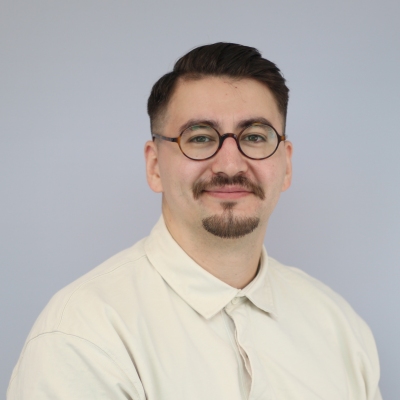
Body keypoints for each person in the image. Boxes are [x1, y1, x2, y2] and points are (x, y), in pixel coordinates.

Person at [7, 43, 382, 400]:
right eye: (200, 138)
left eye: (254, 136)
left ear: (286, 165)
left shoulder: (340, 329)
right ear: (155, 166)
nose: (230, 164)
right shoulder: (84, 334)